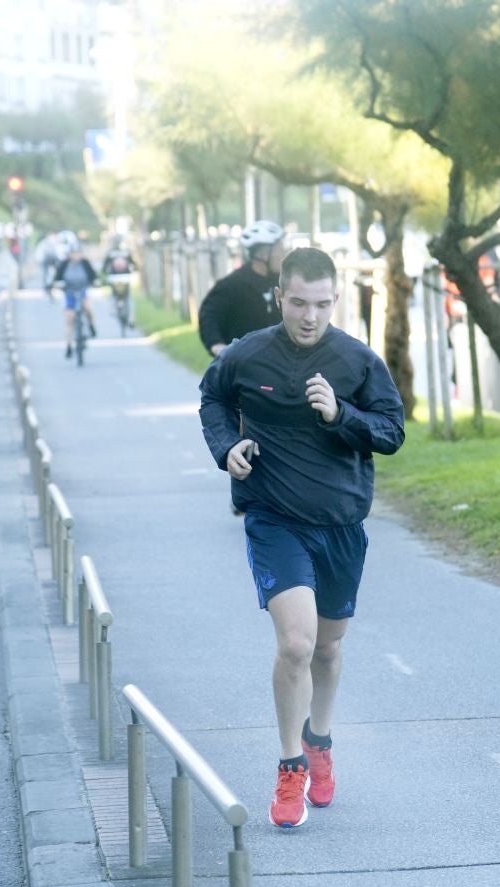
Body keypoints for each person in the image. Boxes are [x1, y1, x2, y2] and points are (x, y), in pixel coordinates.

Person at [198, 247, 405, 829]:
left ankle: (320, 739)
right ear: (279, 298)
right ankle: (290, 766)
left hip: (340, 524)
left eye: (320, 304)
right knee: (295, 644)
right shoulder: (249, 353)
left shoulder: (359, 362)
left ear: (334, 301)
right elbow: (212, 397)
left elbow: (391, 433)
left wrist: (341, 415)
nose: (309, 316)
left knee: (328, 648)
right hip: (275, 519)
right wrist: (227, 448)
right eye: (297, 303)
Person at [198, 220, 287, 357]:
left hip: (278, 364)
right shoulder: (232, 285)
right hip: (242, 366)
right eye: (280, 250)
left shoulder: (284, 282)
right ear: (264, 254)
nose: (283, 255)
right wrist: (216, 345)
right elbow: (209, 315)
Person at [51, 245, 99, 358]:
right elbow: (57, 278)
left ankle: (91, 325)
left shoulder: (85, 263)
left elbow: (93, 276)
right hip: (69, 293)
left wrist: (95, 282)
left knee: (87, 307)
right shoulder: (64, 264)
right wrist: (56, 284)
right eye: (75, 253)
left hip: (82, 291)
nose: (77, 256)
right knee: (69, 319)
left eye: (79, 253)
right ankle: (68, 346)